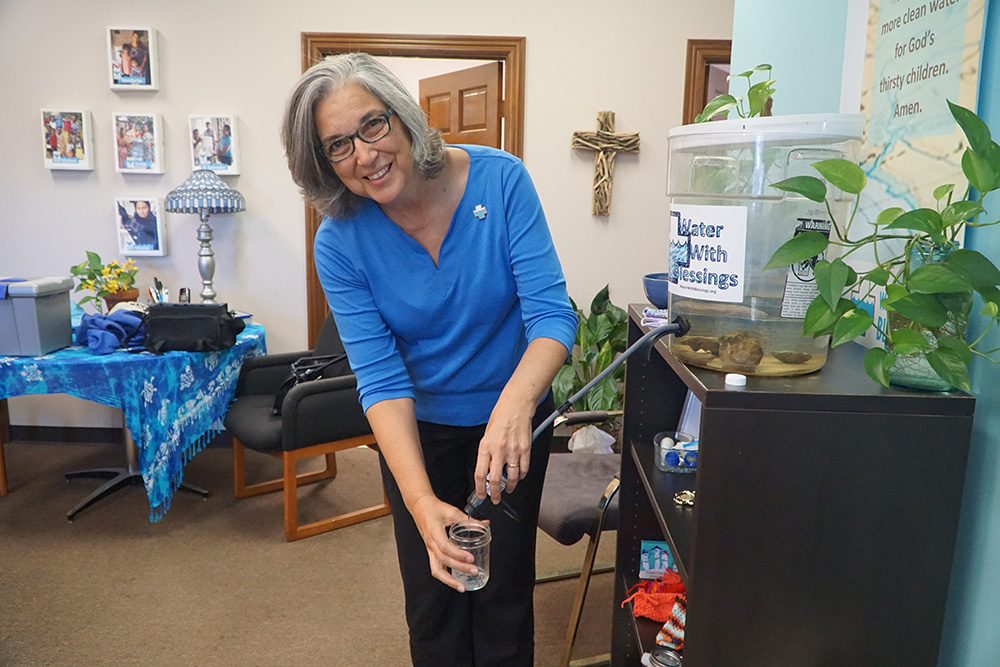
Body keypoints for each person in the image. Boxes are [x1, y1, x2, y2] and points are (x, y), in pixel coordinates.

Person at [281, 53, 577, 667]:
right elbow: (381, 378)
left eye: (371, 126)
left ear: (404, 116)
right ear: (325, 164)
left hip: (513, 420)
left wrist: (514, 406)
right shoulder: (339, 242)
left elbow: (551, 316)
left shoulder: (502, 181)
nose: (364, 155)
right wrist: (419, 503)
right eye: (338, 145)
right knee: (434, 599)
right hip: (419, 434)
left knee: (502, 595)